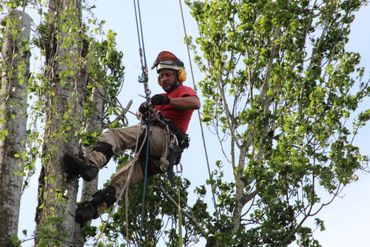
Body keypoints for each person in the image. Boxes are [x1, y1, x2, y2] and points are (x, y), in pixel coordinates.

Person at [63, 51, 200, 225]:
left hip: (164, 140)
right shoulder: (160, 100)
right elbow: (138, 112)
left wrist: (167, 101)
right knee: (122, 178)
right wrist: (145, 109)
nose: (164, 79)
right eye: (162, 76)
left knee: (114, 135)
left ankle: (91, 164)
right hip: (159, 159)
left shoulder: (182, 91)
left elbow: (195, 103)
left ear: (178, 75)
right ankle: (91, 210)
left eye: (168, 75)